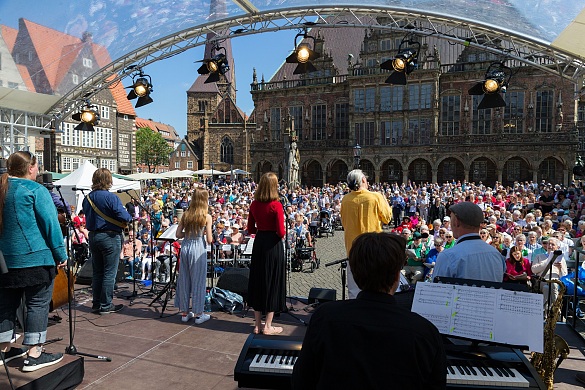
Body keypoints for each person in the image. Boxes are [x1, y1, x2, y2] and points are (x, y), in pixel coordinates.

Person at [292, 232, 446, 390]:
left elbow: (301, 382)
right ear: (396, 277)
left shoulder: (324, 318)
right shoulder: (425, 332)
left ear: (356, 274)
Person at [0, 151, 68, 371]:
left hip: (4, 261)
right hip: (35, 259)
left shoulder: (2, 188)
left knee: (5, 305)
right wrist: (61, 254)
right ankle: (34, 354)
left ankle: (4, 350)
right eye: (37, 166)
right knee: (37, 304)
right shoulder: (35, 190)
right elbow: (51, 225)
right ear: (31, 168)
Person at [83, 168, 132, 314]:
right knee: (110, 272)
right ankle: (106, 305)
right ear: (108, 181)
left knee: (97, 271)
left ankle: (96, 303)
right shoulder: (111, 197)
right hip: (110, 237)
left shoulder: (88, 198)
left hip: (93, 236)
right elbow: (125, 217)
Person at [340, 169, 392, 299]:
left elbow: (343, 222)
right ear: (363, 180)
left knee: (353, 290)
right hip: (373, 248)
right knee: (375, 288)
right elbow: (387, 218)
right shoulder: (375, 197)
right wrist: (384, 199)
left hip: (352, 249)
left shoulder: (345, 199)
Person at [247, 172, 286, 336]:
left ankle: (257, 324)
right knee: (272, 281)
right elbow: (282, 232)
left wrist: (261, 230)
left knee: (258, 280)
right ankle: (268, 326)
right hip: (272, 244)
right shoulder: (276, 205)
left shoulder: (254, 204)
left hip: (259, 243)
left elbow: (250, 229)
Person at [433, 202, 505, 282]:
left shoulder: (447, 256)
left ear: (456, 222)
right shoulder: (496, 255)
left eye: (451, 219)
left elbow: (437, 291)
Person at [175, 188, 213, 324]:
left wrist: (189, 234)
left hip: (185, 246)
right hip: (198, 247)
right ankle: (198, 314)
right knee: (198, 280)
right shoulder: (206, 216)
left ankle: (184, 313)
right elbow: (209, 239)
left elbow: (178, 235)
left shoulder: (186, 214)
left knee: (184, 279)